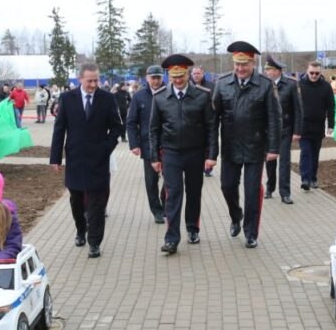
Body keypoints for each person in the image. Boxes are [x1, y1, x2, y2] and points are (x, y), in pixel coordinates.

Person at [212, 40, 282, 249]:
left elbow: (274, 118)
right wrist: (211, 151)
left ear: (253, 63)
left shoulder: (265, 84)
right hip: (230, 147)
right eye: (237, 64)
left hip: (255, 146)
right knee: (227, 186)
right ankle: (236, 216)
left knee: (252, 191)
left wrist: (273, 148)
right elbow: (213, 120)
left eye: (245, 64)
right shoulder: (222, 84)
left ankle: (251, 233)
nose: (240, 68)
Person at [49, 63, 124, 258]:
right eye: (89, 81)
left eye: (96, 80)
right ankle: (81, 230)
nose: (93, 84)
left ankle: (95, 242)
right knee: (76, 201)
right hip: (75, 158)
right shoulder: (67, 98)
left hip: (99, 160)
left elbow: (117, 127)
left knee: (97, 203)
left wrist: (106, 148)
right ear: (80, 79)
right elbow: (59, 130)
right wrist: (55, 158)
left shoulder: (107, 99)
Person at [150, 54, 218, 254]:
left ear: (188, 74)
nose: (178, 81)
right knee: (173, 194)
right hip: (171, 153)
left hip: (195, 152)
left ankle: (192, 228)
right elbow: (153, 129)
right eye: (174, 77)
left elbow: (211, 127)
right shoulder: (160, 97)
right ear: (169, 76)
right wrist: (154, 157)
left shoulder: (202, 95)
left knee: (194, 192)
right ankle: (172, 238)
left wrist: (212, 155)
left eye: (181, 76)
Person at [126, 65, 167, 224]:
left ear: (162, 77)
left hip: (168, 144)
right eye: (153, 78)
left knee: (170, 180)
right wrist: (133, 144)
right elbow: (131, 122)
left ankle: (166, 204)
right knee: (151, 181)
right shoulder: (139, 96)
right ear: (147, 78)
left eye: (158, 77)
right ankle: (156, 210)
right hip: (148, 144)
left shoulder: (169, 92)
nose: (156, 80)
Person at [262, 55, 303, 204]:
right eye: (266, 69)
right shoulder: (264, 84)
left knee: (284, 162)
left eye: (269, 69)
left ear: (278, 71)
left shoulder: (291, 84)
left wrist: (297, 131)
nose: (267, 72)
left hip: (285, 130)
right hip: (268, 131)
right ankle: (270, 188)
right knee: (270, 161)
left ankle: (285, 193)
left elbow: (298, 109)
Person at [298, 61, 336, 191]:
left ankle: (313, 178)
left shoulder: (326, 87)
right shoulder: (300, 85)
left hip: (318, 126)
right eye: (311, 73)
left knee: (314, 154)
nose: (314, 75)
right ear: (307, 71)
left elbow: (331, 107)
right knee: (305, 152)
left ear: (321, 73)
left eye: (317, 73)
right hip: (303, 126)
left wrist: (331, 125)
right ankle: (305, 179)